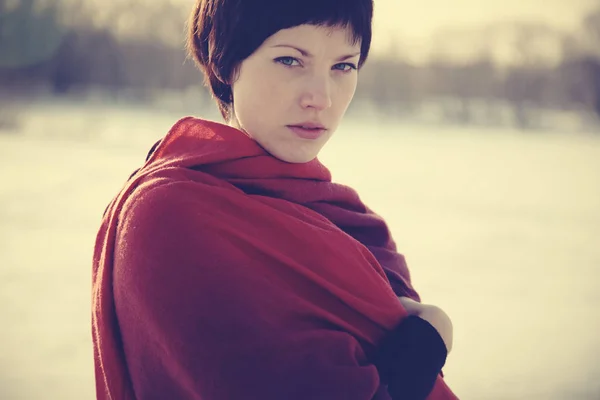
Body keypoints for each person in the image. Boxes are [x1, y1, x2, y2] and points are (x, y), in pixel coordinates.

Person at [91, 0, 458, 399]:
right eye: (289, 60)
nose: (321, 97)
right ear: (224, 62)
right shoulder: (171, 216)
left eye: (343, 66)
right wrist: (430, 337)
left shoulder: (344, 217)